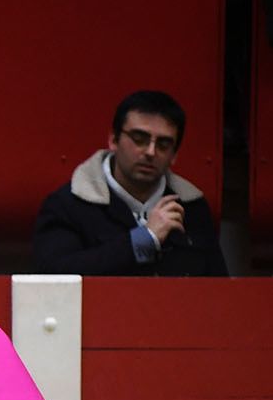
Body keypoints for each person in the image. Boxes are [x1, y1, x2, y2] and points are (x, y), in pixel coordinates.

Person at [30, 90, 228, 276]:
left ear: (174, 155)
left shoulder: (192, 207)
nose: (150, 152)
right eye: (139, 139)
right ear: (113, 140)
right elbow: (54, 277)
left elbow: (217, 289)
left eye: (163, 144)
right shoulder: (68, 205)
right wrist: (144, 239)